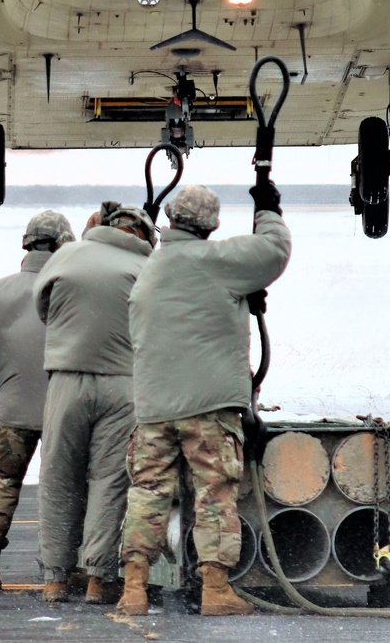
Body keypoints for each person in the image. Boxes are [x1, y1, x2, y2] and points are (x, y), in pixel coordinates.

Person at [117, 181, 291, 617]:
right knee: (214, 494)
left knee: (148, 493)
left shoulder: (152, 269)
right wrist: (268, 209)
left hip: (154, 407)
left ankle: (134, 589)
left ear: (172, 219)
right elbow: (273, 252)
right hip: (208, 407)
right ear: (211, 225)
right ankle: (215, 591)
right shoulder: (217, 260)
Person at [34, 201, 156, 605]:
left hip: (67, 380)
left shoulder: (68, 255)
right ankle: (98, 579)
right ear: (142, 234)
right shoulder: (147, 269)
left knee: (58, 476)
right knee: (109, 480)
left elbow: (42, 307)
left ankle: (54, 578)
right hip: (124, 385)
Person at [0, 210, 75, 592]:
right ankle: (59, 576)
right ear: (64, 243)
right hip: (69, 410)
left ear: (26, 245)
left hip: (13, 409)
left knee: (0, 487)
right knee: (66, 489)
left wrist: (5, 387)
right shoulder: (73, 288)